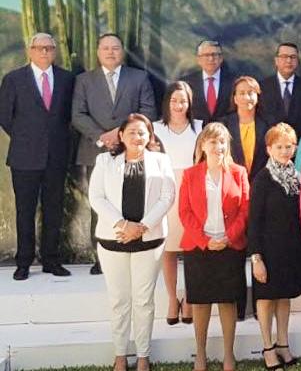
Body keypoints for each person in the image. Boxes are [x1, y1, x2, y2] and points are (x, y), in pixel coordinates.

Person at [88, 114, 175, 371]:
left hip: (149, 240)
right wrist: (124, 225)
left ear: (150, 136)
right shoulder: (104, 161)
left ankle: (143, 356)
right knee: (119, 299)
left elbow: (167, 196)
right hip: (113, 239)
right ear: (122, 135)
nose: (138, 137)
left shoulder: (161, 161)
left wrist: (142, 227)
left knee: (144, 300)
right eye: (133, 132)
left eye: (143, 132)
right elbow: (97, 197)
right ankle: (120, 355)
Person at [72, 32, 158, 275]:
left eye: (116, 48)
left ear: (122, 52)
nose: (111, 52)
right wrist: (102, 136)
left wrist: (120, 134)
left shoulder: (139, 77)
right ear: (98, 52)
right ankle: (102, 257)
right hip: (95, 150)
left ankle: (133, 248)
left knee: (134, 201)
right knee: (99, 203)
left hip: (133, 152)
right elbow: (77, 114)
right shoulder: (84, 80)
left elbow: (148, 111)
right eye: (105, 48)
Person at [0, 32, 74, 280]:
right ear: (30, 50)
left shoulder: (66, 79)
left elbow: (68, 117)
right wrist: (27, 138)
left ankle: (51, 260)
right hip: (24, 156)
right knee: (25, 210)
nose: (44, 52)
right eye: (39, 47)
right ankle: (23, 262)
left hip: (56, 156)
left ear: (55, 51)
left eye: (49, 48)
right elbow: (5, 117)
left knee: (54, 209)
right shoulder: (14, 79)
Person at [178, 122, 250, 371]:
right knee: (200, 302)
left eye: (222, 142)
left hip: (230, 246)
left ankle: (228, 355)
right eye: (212, 141)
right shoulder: (190, 174)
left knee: (227, 302)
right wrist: (206, 241)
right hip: (199, 248)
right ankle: (201, 354)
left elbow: (245, 210)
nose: (217, 146)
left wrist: (228, 237)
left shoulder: (239, 172)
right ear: (202, 145)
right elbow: (184, 213)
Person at [248, 123, 301, 369]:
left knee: (284, 296)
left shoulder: (297, 176)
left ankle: (283, 343)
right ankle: (268, 346)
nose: (284, 151)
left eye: (288, 146)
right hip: (268, 249)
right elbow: (254, 220)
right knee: (267, 298)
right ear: (269, 148)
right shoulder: (263, 178)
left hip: (291, 248)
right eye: (279, 146)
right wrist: (256, 257)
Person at [152, 81, 202, 324]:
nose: (179, 105)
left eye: (183, 101)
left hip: (193, 192)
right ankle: (173, 298)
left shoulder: (200, 128)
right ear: (167, 103)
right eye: (174, 101)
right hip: (165, 192)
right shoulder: (154, 129)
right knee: (169, 249)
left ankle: (192, 298)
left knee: (192, 248)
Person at [258, 42, 301, 137]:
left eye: (293, 57)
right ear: (276, 60)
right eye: (284, 56)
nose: (288, 60)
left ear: (297, 61)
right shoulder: (262, 87)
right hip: (270, 146)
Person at [222, 75, 269, 183]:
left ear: (257, 97)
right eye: (242, 93)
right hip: (232, 183)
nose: (247, 97)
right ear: (235, 98)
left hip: (261, 185)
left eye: (250, 93)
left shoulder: (268, 124)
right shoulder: (224, 125)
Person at [182, 40, 237, 123]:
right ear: (198, 59)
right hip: (196, 134)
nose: (211, 58)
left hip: (226, 133)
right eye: (206, 55)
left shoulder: (235, 82)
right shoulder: (186, 83)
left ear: (221, 58)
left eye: (215, 54)